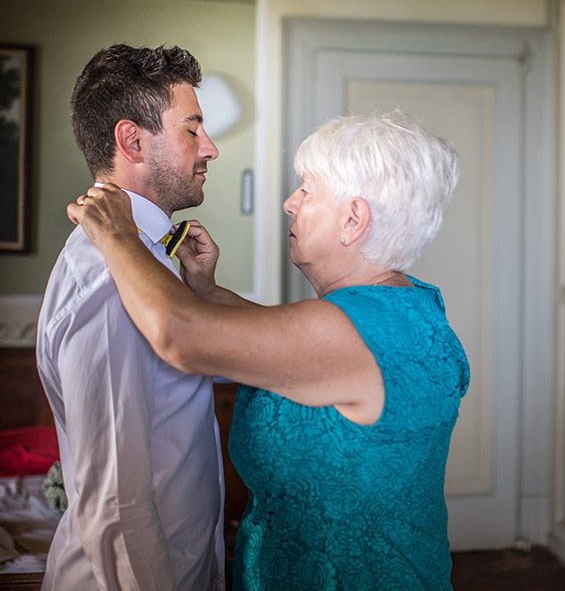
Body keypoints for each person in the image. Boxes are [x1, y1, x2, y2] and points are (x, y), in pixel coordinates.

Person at [68, 111, 469, 590]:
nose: (289, 203)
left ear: (353, 219)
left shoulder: (358, 329)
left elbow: (179, 336)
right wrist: (210, 292)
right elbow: (286, 338)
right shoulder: (396, 309)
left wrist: (118, 236)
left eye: (308, 189)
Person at [37, 44, 225, 590]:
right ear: (132, 140)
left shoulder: (150, 257)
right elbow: (115, 500)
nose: (209, 148)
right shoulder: (107, 272)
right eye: (192, 129)